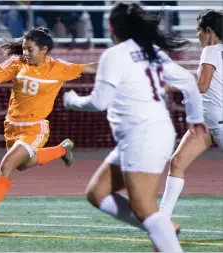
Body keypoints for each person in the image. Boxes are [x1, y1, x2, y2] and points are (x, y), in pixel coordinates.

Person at [63, 3, 206, 252]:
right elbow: (188, 81)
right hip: (147, 134)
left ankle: (159, 227)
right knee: (98, 193)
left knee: (143, 207)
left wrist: (72, 101)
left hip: (143, 136)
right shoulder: (151, 50)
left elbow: (100, 102)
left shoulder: (114, 55)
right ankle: (160, 226)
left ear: (111, 28)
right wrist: (194, 118)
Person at [0, 27, 98, 227]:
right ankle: (62, 149)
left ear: (44, 49)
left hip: (35, 128)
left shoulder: (58, 67)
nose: (26, 53)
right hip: (11, 126)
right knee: (22, 165)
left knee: (7, 164)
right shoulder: (16, 63)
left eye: (30, 49)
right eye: (24, 49)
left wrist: (121, 65)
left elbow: (90, 67)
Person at [159, 9, 223, 219]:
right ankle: (162, 217)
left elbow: (202, 86)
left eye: (199, 31)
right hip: (206, 124)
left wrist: (170, 87)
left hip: (218, 122)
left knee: (177, 163)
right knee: (177, 162)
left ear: (209, 31)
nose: (197, 36)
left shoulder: (211, 51)